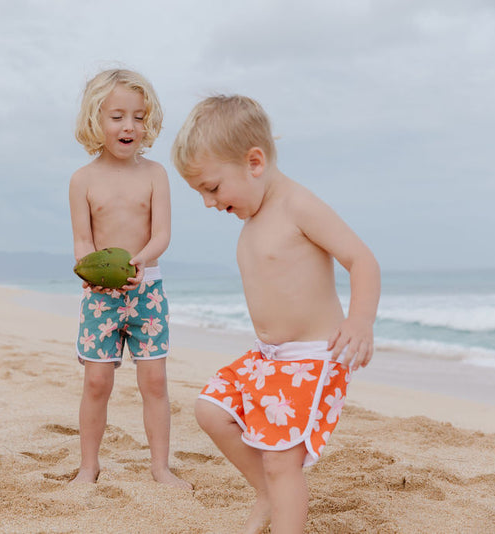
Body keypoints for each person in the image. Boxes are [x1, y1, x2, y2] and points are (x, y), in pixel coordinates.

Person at [171, 95, 380, 533]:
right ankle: (266, 491)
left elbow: (362, 260)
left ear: (254, 162)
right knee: (211, 410)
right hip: (267, 357)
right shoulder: (252, 217)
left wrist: (359, 321)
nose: (209, 203)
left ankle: (280, 498)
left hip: (311, 360)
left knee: (282, 462)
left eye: (212, 187)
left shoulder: (298, 206)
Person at [68, 69, 190, 489]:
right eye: (117, 116)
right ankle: (89, 466)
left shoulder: (155, 174)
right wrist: (91, 271)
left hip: (147, 290)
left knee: (154, 381)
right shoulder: (82, 180)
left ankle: (160, 467)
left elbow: (162, 235)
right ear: (95, 121)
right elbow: (82, 241)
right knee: (97, 381)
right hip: (100, 297)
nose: (129, 126)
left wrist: (140, 261)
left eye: (139, 117)